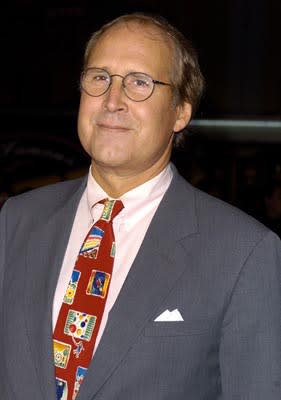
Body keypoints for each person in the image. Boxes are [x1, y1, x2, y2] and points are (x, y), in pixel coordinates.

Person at [0, 13, 280, 400]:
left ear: (181, 111)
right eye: (99, 77)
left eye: (139, 83)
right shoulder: (16, 220)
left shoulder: (245, 253)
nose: (112, 100)